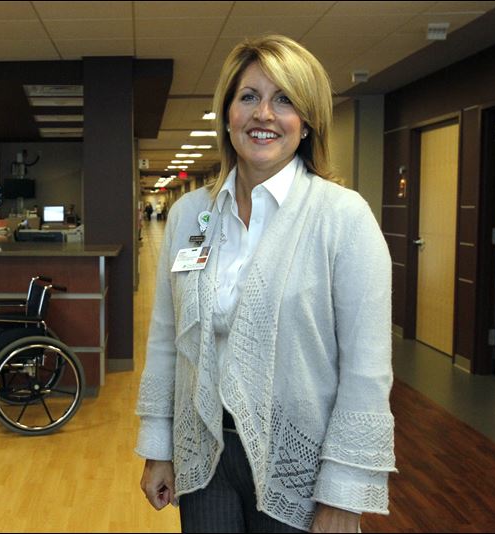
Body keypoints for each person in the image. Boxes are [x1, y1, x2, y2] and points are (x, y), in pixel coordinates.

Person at [135, 34, 395, 533]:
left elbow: (366, 370)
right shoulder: (191, 214)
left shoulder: (342, 218)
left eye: (285, 100)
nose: (264, 114)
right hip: (203, 452)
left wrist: (344, 493)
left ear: (308, 121)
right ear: (227, 113)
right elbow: (167, 340)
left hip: (300, 464)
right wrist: (159, 447)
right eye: (249, 96)